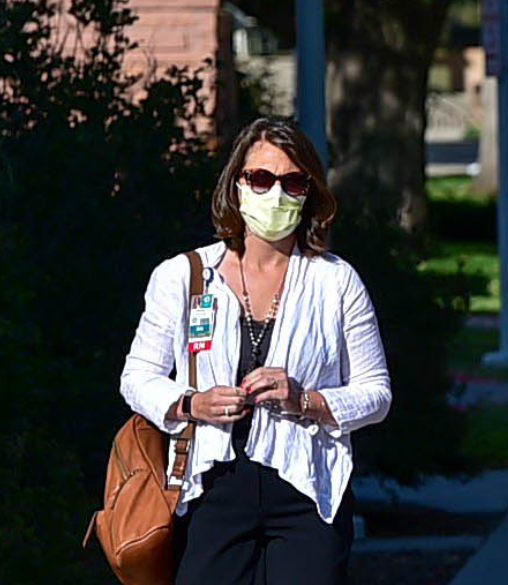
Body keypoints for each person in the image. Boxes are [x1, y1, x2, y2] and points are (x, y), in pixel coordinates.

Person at [120, 117, 391, 584]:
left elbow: (377, 393)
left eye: (292, 181)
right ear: (237, 186)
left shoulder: (336, 282)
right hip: (211, 487)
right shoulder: (182, 276)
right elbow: (137, 377)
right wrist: (191, 404)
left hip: (308, 488)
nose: (276, 194)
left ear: (310, 193)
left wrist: (306, 400)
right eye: (261, 179)